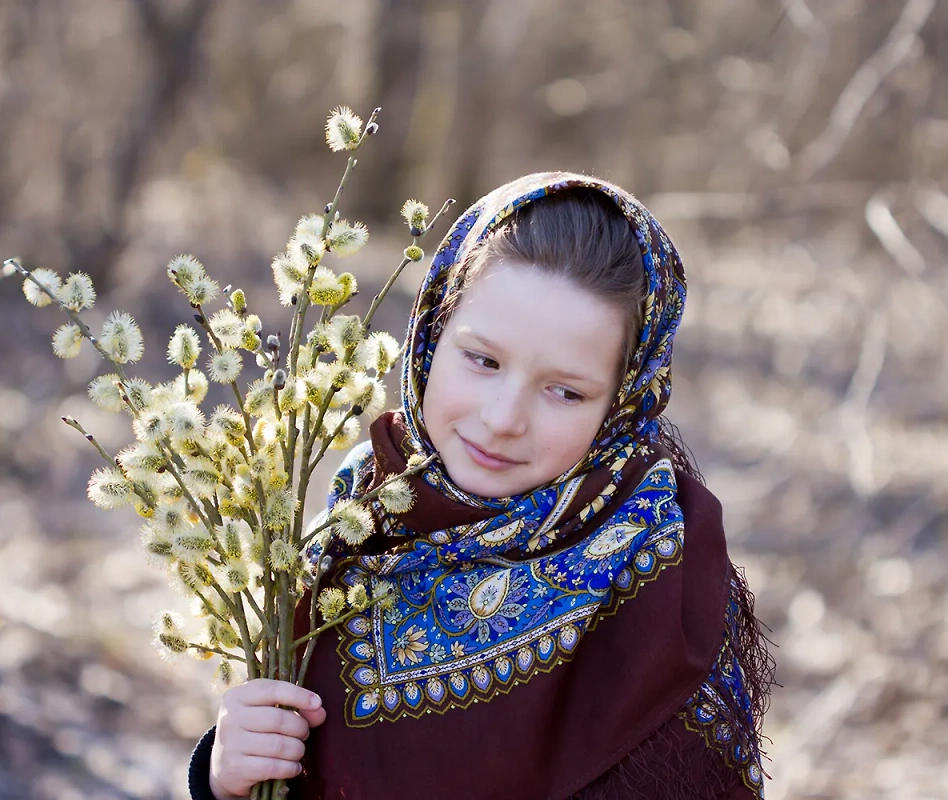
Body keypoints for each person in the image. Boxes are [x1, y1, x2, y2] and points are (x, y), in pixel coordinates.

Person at [187, 172, 774, 799]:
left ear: (620, 408)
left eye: (565, 391)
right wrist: (225, 776)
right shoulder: (361, 509)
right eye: (483, 360)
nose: (503, 420)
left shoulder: (661, 585)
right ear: (431, 337)